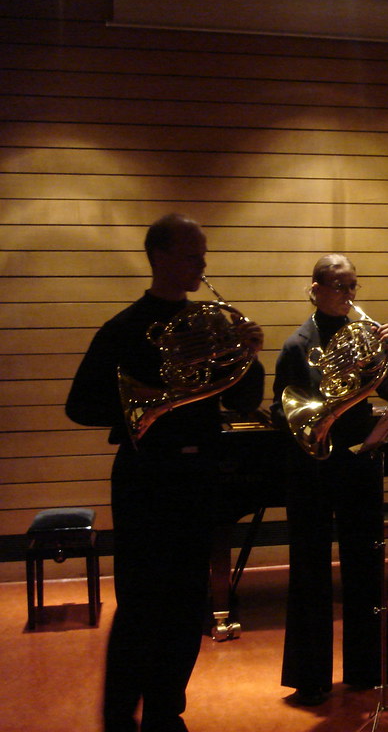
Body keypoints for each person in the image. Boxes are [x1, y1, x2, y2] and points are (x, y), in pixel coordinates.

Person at [65, 213, 266, 732]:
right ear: (159, 257)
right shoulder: (125, 328)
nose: (202, 263)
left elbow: (243, 398)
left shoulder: (211, 322)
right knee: (140, 606)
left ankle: (164, 713)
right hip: (147, 478)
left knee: (185, 606)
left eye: (203, 254)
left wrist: (251, 355)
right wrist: (150, 400)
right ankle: (118, 720)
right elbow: (80, 405)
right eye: (192, 254)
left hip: (201, 476)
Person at [271, 254, 388, 706]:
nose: (349, 295)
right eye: (339, 286)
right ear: (315, 289)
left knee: (367, 560)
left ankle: (372, 664)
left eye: (353, 286)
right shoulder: (297, 346)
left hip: (357, 459)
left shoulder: (368, 339)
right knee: (310, 567)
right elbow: (283, 411)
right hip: (311, 466)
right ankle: (310, 676)